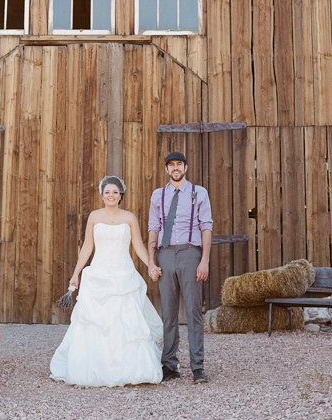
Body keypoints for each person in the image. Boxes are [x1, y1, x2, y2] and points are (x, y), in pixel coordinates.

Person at [50, 175, 163, 387]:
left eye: (115, 192)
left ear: (121, 195)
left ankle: (130, 370)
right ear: (102, 195)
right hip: (99, 274)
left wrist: (151, 265)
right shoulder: (94, 216)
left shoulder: (129, 218)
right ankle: (94, 369)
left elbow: (138, 246)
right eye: (107, 192)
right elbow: (87, 247)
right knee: (95, 323)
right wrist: (76, 273)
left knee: (125, 322)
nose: (111, 195)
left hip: (124, 275)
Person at [148, 152, 213, 385]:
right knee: (169, 313)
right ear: (166, 169)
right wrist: (151, 261)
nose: (175, 168)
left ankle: (198, 367)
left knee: (194, 312)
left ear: (186, 167)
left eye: (179, 164)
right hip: (165, 254)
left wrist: (204, 260)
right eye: (171, 165)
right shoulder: (159, 194)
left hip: (189, 253)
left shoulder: (198, 192)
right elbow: (153, 228)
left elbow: (206, 226)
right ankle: (170, 365)